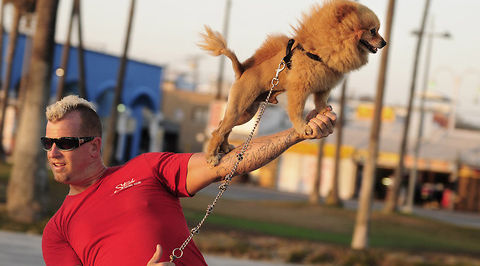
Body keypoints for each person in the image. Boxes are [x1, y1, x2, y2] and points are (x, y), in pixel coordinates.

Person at [41, 95, 337, 266]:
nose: (53, 151)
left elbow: (225, 163)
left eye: (65, 142)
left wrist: (298, 133)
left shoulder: (145, 168)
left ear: (94, 146)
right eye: (48, 142)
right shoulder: (57, 231)